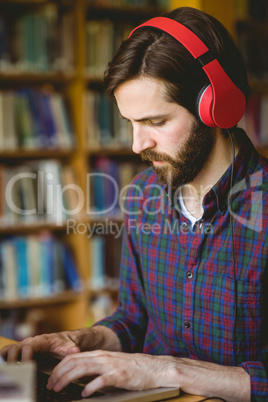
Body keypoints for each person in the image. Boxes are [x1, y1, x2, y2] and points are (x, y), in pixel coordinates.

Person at [1, 6, 267, 402]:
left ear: (217, 107)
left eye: (156, 123)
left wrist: (168, 369)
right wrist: (82, 338)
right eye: (130, 122)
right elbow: (133, 318)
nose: (136, 145)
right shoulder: (143, 195)